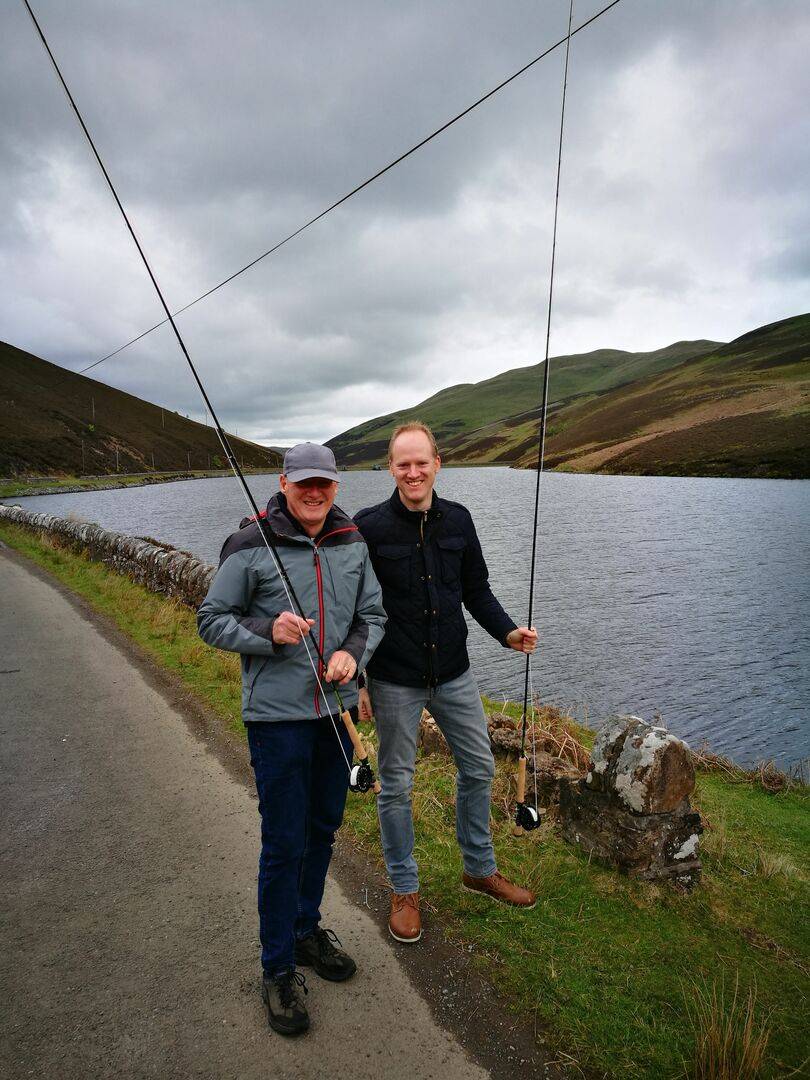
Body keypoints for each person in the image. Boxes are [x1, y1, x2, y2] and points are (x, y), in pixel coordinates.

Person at [197, 442, 386, 1036]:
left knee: (322, 828)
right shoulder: (248, 543)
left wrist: (351, 657)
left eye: (323, 483)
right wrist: (268, 631)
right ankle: (277, 967)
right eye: (302, 482)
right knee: (284, 841)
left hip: (334, 715)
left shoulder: (352, 540)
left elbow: (373, 616)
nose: (313, 492)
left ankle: (305, 931)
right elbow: (210, 619)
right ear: (282, 483)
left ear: (336, 486)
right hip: (276, 721)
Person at [354, 421, 538, 943]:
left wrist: (507, 631)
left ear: (438, 463)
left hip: (454, 673)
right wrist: (362, 680)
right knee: (396, 785)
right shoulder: (368, 528)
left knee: (479, 768)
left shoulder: (460, 520)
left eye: (421, 462)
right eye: (402, 463)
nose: (413, 471)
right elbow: (357, 611)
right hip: (392, 678)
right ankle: (404, 888)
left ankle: (478, 869)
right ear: (390, 468)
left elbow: (476, 590)